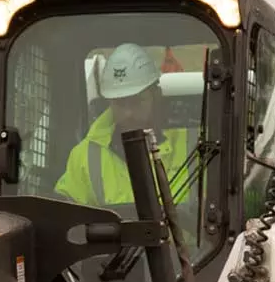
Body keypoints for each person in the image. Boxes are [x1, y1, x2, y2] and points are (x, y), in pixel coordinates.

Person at [54, 42, 193, 207]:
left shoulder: (196, 147)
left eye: (137, 102)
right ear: (109, 102)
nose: (128, 114)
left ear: (156, 96)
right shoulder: (85, 157)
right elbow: (67, 217)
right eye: (120, 104)